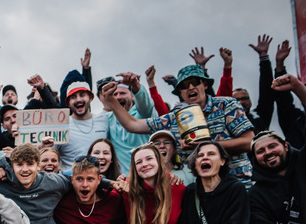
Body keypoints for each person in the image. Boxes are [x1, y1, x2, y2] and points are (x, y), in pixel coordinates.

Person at [100, 69, 255, 183]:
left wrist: (205, 146)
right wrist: (110, 100)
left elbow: (249, 142)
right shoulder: (174, 118)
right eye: (184, 85)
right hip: (201, 191)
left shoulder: (226, 104)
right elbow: (133, 125)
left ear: (205, 85)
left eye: (195, 82)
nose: (191, 88)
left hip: (239, 181)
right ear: (180, 92)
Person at [166, 141, 249, 224]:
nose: (205, 158)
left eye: (211, 154)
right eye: (200, 155)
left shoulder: (235, 189)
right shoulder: (190, 192)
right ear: (195, 164)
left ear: (222, 161)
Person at [0, 143, 72, 224]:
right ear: (12, 167)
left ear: (38, 166)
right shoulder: (0, 186)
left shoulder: (53, 182)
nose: (25, 169)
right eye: (19, 164)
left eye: (30, 164)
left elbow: (77, 182)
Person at [246, 131, 306, 224]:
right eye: (260, 151)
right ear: (255, 159)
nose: (268, 152)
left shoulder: (303, 163)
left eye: (272, 146)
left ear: (286, 146)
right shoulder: (255, 194)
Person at [122, 143, 185, 224]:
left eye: (149, 159)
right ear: (135, 168)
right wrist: (113, 184)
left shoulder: (178, 188)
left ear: (158, 161)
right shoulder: (127, 190)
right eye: (139, 162)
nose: (144, 164)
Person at [53, 156, 125, 224]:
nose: (85, 185)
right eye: (79, 179)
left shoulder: (111, 199)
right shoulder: (60, 197)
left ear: (99, 180)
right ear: (72, 179)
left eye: (90, 179)